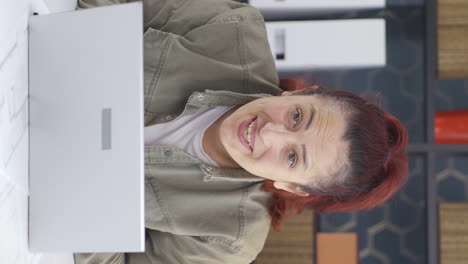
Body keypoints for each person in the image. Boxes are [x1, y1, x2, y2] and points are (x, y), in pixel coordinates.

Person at [74, 0, 408, 263]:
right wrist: (76, 63)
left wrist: (80, 190)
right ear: (301, 93)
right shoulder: (232, 28)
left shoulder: (230, 241)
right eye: (296, 117)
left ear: (290, 186)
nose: (268, 134)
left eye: (292, 157)